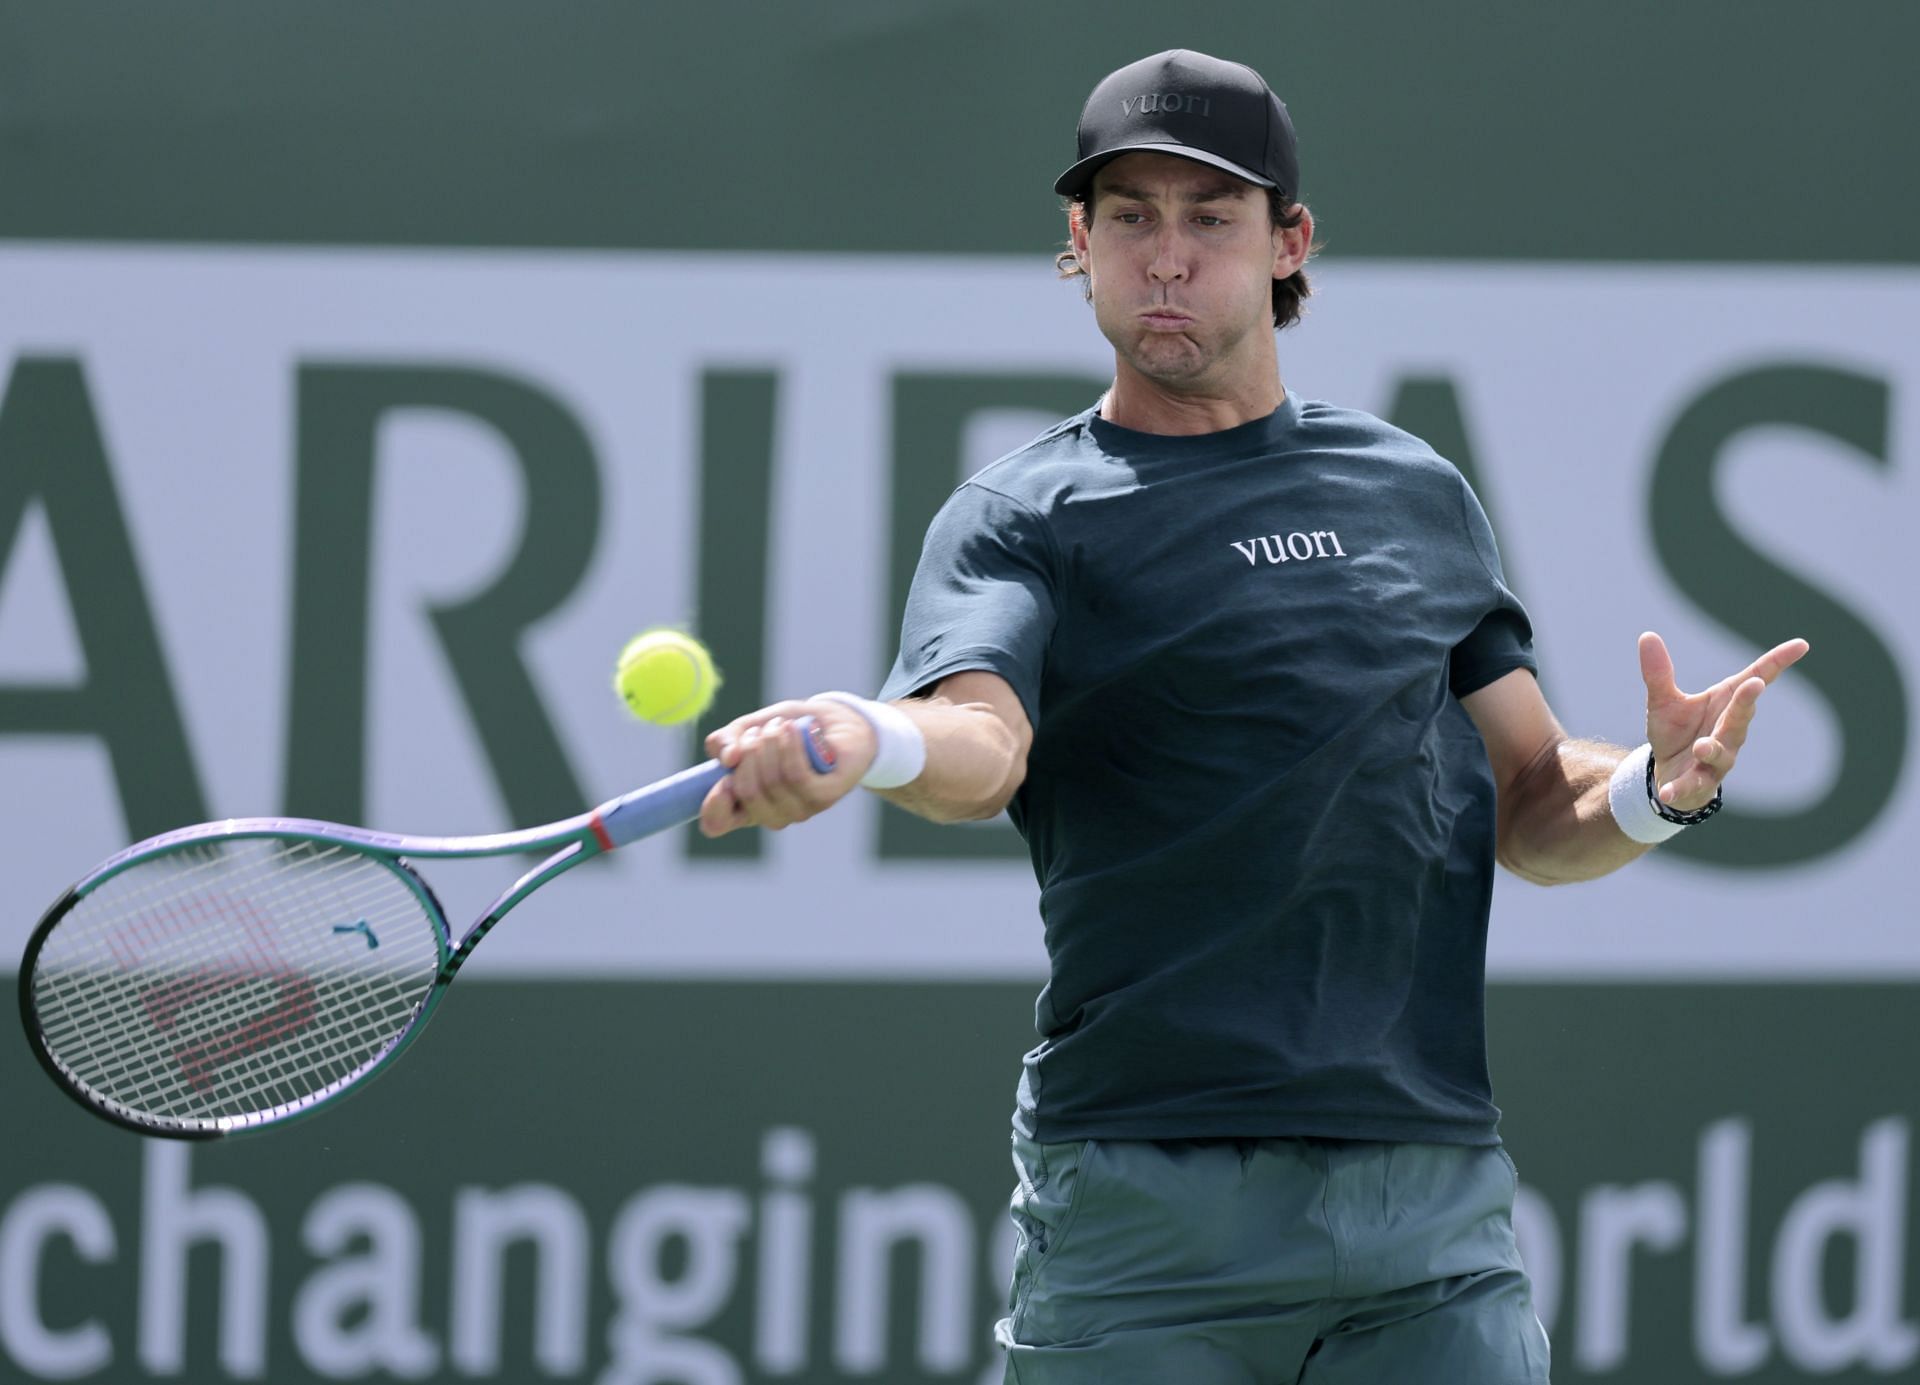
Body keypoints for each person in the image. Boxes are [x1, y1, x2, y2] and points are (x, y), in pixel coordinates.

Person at [697, 48, 1808, 1385]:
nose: (1165, 257)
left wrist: (1655, 786)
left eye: (1209, 219)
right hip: (1145, 1208)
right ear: (1079, 244)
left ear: (1288, 242)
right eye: (1129, 218)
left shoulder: (1415, 490)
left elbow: (1530, 799)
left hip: (1430, 1203)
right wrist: (870, 738)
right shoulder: (1021, 517)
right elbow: (983, 751)